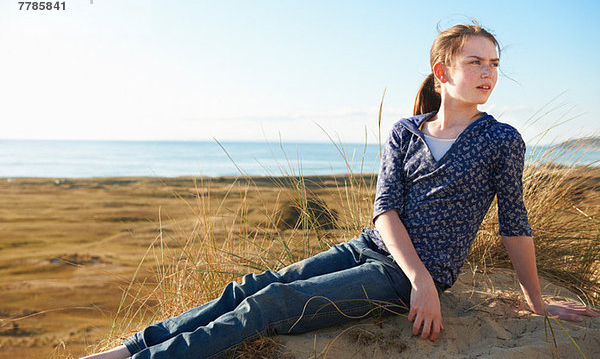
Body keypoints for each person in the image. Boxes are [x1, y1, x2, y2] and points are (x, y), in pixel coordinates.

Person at [83, 22, 597, 359]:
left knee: (273, 305)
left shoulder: (502, 140)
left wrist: (536, 302)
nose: (488, 73)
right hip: (372, 250)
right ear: (442, 73)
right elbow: (385, 210)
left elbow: (515, 224)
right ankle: (130, 348)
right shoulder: (405, 131)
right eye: (475, 63)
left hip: (412, 280)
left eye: (494, 65)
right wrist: (413, 271)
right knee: (250, 287)